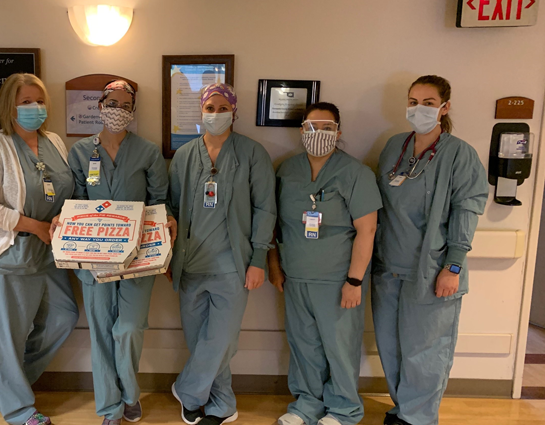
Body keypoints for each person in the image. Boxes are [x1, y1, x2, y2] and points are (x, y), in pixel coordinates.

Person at [52, 80, 176, 425]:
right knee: (101, 330)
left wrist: (168, 226)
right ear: (99, 105)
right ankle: (110, 408)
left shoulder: (148, 152)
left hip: (139, 257)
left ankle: (130, 393)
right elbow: (74, 201)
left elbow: (159, 201)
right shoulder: (80, 152)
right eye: (111, 102)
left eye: (125, 105)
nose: (117, 110)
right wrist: (61, 223)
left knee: (129, 328)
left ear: (132, 111)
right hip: (93, 254)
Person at [372, 75, 488, 425]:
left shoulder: (459, 154)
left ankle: (418, 417)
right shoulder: (394, 147)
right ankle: (403, 408)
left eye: (427, 102)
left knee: (426, 350)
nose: (417, 109)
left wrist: (453, 267)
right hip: (388, 265)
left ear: (444, 107)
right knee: (391, 347)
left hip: (433, 268)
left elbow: (466, 210)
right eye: (412, 101)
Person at [0, 73, 79, 425]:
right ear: (9, 106)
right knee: (8, 336)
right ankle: (18, 409)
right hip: (9, 253)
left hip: (49, 253)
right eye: (26, 102)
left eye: (39, 101)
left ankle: (11, 381)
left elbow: (65, 190)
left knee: (64, 316)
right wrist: (36, 227)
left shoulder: (54, 142)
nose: (35, 108)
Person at [168, 83, 277, 425]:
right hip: (190, 264)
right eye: (209, 108)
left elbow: (266, 210)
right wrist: (168, 257)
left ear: (234, 110)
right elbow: (170, 208)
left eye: (221, 107)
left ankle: (187, 391)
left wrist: (259, 259)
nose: (215, 114)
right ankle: (222, 405)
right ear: (201, 111)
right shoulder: (185, 156)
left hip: (234, 265)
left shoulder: (252, 153)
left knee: (221, 338)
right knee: (202, 340)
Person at [267, 103, 382, 425]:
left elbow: (367, 230)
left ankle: (344, 410)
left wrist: (355, 281)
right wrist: (274, 266)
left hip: (337, 279)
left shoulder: (356, 174)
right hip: (295, 275)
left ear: (339, 132)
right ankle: (306, 406)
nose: (319, 133)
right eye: (311, 127)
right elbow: (274, 225)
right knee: (303, 345)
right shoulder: (287, 171)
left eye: (327, 127)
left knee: (339, 347)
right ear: (302, 131)